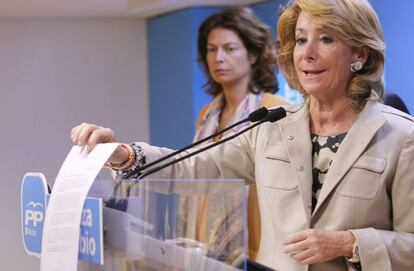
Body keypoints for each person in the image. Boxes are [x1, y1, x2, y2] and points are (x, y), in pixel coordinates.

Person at [71, 0, 414, 270]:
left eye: (326, 39)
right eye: (300, 39)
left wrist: (349, 242)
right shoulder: (269, 127)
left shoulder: (401, 136)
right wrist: (121, 153)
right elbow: (191, 167)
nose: (307, 54)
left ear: (360, 53)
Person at [193, 6, 286, 260]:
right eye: (211, 50)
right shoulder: (206, 115)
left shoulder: (274, 108)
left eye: (230, 48)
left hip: (256, 247)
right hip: (206, 248)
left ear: (253, 54)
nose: (218, 58)